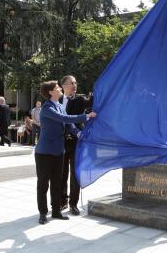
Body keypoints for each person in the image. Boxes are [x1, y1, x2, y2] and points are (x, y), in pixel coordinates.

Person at [35, 80, 96, 225]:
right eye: (57, 87)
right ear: (51, 92)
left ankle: (56, 211)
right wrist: (86, 116)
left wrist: (79, 134)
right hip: (44, 152)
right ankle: (43, 213)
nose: (59, 89)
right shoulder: (47, 108)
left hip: (58, 151)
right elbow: (64, 118)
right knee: (43, 184)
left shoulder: (59, 106)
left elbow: (68, 125)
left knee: (57, 182)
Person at [59, 75, 93, 215]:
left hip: (76, 141)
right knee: (61, 173)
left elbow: (91, 102)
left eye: (75, 83)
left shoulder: (80, 99)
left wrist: (100, 88)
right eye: (71, 83)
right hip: (60, 142)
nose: (74, 85)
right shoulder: (57, 100)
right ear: (64, 86)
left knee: (75, 172)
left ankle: (73, 203)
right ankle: (62, 201)